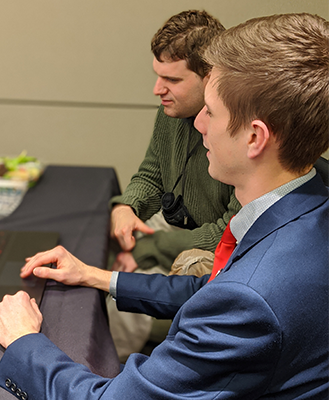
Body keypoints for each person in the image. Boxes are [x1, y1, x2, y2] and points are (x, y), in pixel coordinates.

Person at [0, 12, 329, 399]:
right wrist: (96, 277)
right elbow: (212, 289)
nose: (198, 122)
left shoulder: (250, 301)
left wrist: (22, 342)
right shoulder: (308, 207)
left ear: (255, 137)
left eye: (211, 111)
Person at [107, 9, 241, 361]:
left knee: (113, 301)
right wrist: (128, 208)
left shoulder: (236, 132)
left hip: (218, 252)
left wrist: (146, 248)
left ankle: (103, 372)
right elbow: (152, 173)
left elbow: (230, 233)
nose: (157, 90)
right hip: (179, 228)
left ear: (211, 77)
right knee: (100, 246)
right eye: (157, 76)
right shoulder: (172, 112)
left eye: (172, 80)